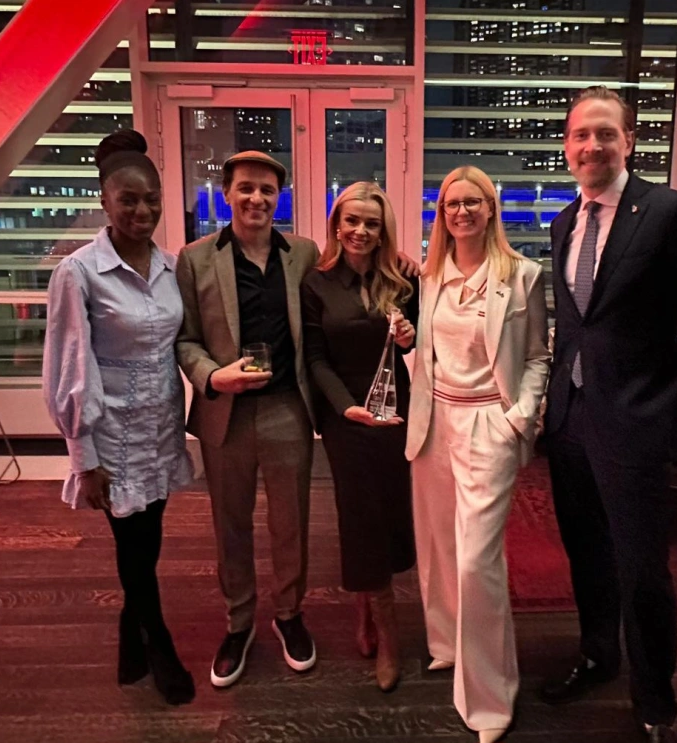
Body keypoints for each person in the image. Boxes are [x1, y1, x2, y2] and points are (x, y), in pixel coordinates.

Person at [540, 86, 677, 743]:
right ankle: (599, 654)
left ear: (629, 140)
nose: (591, 145)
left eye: (605, 133)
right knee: (587, 554)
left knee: (642, 569)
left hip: (637, 421)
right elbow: (577, 327)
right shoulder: (564, 223)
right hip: (571, 421)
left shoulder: (669, 211)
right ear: (566, 146)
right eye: (579, 135)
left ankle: (656, 699)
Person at [42, 129, 195, 705]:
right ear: (104, 200)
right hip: (112, 441)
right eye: (128, 199)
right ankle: (158, 645)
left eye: (151, 198)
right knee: (133, 550)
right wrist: (84, 456)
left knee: (147, 543)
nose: (142, 210)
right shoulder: (79, 274)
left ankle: (130, 637)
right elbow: (68, 368)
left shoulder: (169, 267)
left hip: (159, 431)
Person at [405, 165, 550, 743]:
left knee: (477, 562)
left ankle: (491, 698)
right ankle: (445, 644)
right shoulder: (431, 273)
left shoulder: (523, 275)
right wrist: (407, 343)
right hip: (435, 420)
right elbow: (432, 350)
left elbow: (539, 355)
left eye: (472, 202)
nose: (460, 213)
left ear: (491, 208)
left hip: (491, 419)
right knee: (438, 546)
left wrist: (522, 417)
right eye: (449, 205)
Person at [176, 151, 319, 687]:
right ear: (227, 194)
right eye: (246, 189)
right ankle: (238, 622)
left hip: (287, 409)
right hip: (225, 413)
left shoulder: (302, 254)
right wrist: (214, 377)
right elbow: (186, 338)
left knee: (291, 524)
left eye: (267, 190)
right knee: (229, 525)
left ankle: (288, 615)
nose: (257, 198)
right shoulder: (194, 259)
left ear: (278, 198)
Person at [301, 182, 418, 692]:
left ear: (383, 230)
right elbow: (314, 357)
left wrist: (412, 334)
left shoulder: (404, 280)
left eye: (371, 223)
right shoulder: (316, 283)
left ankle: (368, 606)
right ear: (336, 225)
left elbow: (422, 337)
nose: (360, 231)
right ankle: (387, 632)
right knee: (359, 517)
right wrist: (343, 407)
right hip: (346, 418)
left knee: (390, 514)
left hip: (397, 413)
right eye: (352, 220)